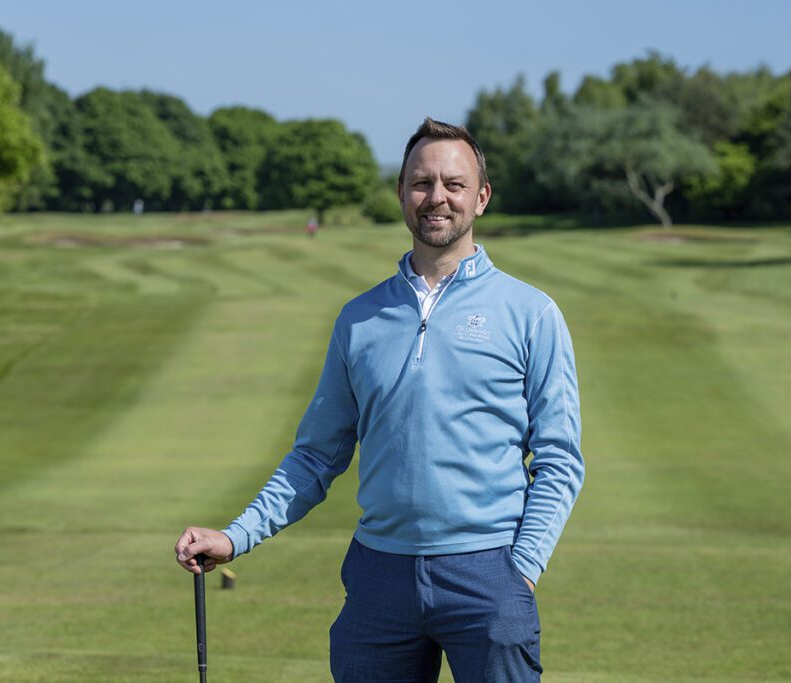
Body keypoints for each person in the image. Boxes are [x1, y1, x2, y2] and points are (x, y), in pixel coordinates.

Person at [176, 118, 584, 682]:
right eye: (421, 182)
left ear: (481, 197)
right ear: (400, 192)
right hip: (379, 578)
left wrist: (522, 569)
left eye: (454, 184)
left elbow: (560, 459)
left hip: (489, 573)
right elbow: (317, 457)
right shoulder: (359, 318)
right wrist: (235, 535)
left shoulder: (531, 313)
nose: (436, 197)